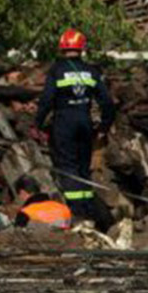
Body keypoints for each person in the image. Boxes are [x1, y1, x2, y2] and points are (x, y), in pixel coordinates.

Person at [33, 29, 115, 231]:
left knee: (68, 168)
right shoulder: (92, 71)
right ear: (82, 48)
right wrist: (104, 126)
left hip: (64, 122)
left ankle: (76, 214)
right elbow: (107, 102)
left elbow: (46, 101)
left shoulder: (57, 70)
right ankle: (88, 212)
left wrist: (37, 124)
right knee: (82, 168)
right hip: (85, 123)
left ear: (62, 47)